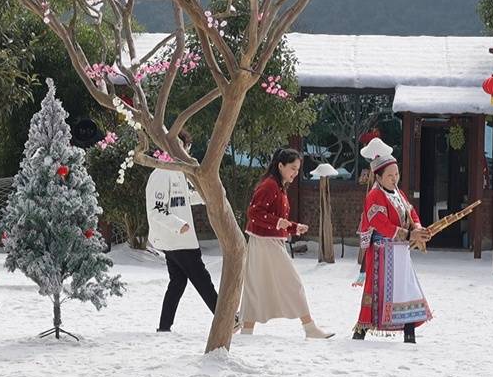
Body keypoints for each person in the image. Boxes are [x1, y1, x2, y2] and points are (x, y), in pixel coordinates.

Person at [239, 148, 333, 339]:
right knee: (292, 283)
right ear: (280, 166)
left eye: (298, 170)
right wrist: (278, 223)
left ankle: (247, 330)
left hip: (267, 242)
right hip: (266, 243)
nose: (295, 173)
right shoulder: (270, 186)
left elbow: (275, 219)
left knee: (256, 285)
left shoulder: (278, 186)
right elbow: (254, 213)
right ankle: (309, 327)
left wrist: (293, 227)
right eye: (292, 168)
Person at [145, 131, 227, 332]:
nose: (182, 151)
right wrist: (178, 225)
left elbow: (183, 199)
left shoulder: (178, 172)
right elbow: (156, 209)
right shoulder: (161, 173)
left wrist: (207, 197)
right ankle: (226, 319)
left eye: (184, 147)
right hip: (178, 239)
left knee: (178, 282)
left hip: (178, 239)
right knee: (202, 279)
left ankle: (164, 327)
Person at [352, 153, 432, 343]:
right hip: (383, 252)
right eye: (390, 175)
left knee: (408, 289)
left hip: (401, 253)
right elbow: (379, 222)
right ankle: (361, 330)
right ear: (378, 177)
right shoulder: (375, 195)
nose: (395, 178)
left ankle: (409, 332)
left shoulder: (398, 193)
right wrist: (408, 234)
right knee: (378, 292)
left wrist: (418, 228)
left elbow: (411, 212)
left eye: (397, 174)